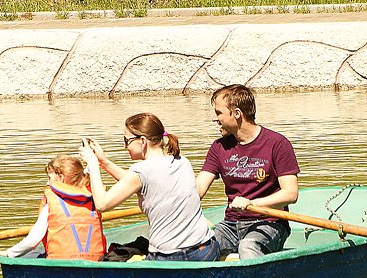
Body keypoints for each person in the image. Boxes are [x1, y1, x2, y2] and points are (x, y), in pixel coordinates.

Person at [79, 112, 220, 261]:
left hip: (170, 257)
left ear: (143, 141)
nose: (125, 146)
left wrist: (93, 164)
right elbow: (136, 182)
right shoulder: (182, 161)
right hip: (207, 249)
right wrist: (104, 162)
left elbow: (102, 203)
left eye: (127, 140)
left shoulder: (141, 170)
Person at [196, 84, 299, 260]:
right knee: (200, 248)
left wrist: (253, 203)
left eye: (219, 113)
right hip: (230, 224)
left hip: (269, 223)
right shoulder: (218, 147)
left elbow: (290, 194)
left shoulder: (277, 144)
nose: (216, 119)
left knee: (249, 246)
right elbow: (198, 188)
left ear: (236, 113)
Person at [0, 154, 106, 261]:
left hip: (60, 263)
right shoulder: (96, 198)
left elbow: (32, 242)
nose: (47, 183)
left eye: (49, 178)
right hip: (96, 260)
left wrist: (9, 253)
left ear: (61, 178)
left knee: (32, 254)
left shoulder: (51, 202)